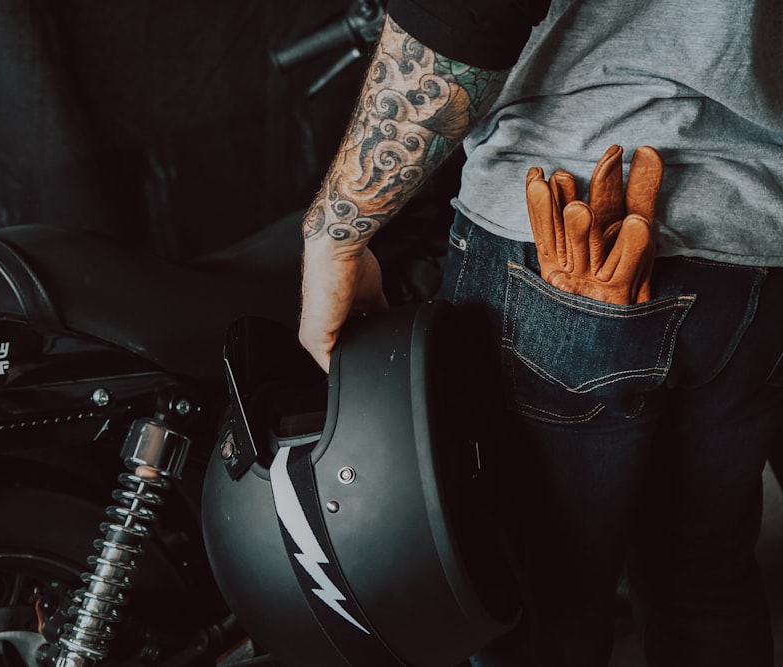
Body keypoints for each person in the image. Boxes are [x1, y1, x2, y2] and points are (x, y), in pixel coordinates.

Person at [297, 1, 783, 665]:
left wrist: (337, 232)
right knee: (704, 580)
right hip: (759, 243)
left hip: (559, 212)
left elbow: (465, 22)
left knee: (539, 604)